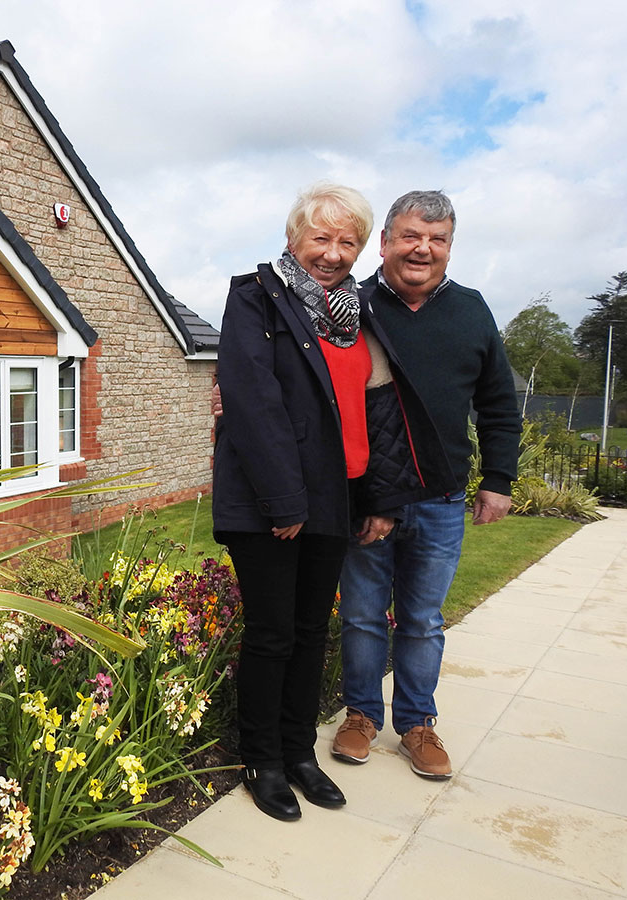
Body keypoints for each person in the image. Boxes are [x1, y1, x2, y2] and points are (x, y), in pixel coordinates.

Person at [212, 183, 449, 821]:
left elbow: (372, 417)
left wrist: (378, 500)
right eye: (322, 237)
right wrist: (284, 502)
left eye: (348, 241)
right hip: (270, 505)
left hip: (334, 501)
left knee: (314, 632)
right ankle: (261, 760)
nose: (334, 252)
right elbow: (253, 404)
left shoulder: (356, 315)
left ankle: (298, 754)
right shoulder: (256, 300)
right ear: (294, 238)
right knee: (272, 634)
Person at [330, 190, 521, 780]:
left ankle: (416, 723)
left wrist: (498, 479)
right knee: (362, 616)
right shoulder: (349, 307)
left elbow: (497, 402)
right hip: (368, 496)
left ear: (449, 248)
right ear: (385, 242)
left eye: (437, 240)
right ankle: (361, 716)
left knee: (422, 620)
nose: (423, 249)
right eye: (411, 236)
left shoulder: (471, 309)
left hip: (439, 498)